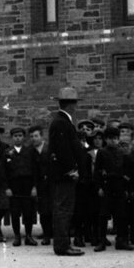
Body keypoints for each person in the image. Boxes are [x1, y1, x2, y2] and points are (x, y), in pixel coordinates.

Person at [44, 88, 84, 256]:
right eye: (74, 103)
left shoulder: (62, 121)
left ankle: (63, 244)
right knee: (63, 209)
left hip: (64, 173)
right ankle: (62, 245)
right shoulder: (61, 122)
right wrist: (71, 170)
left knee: (64, 208)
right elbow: (62, 151)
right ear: (71, 105)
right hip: (64, 174)